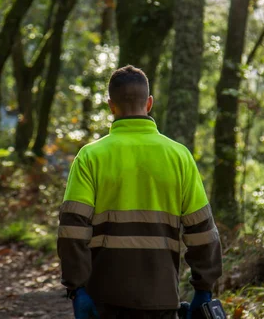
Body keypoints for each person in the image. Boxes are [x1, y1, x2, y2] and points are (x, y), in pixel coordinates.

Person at [57, 65, 222, 319]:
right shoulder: (179, 157)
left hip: (104, 298)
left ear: (111, 105)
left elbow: (72, 229)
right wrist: (204, 289)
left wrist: (77, 288)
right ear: (149, 103)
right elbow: (202, 232)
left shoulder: (90, 156)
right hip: (161, 297)